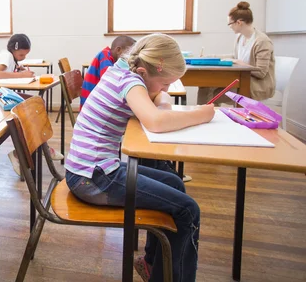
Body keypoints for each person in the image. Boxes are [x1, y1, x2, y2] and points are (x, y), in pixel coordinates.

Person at [65, 34, 214, 282]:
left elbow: (156, 100)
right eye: (165, 83)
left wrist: (162, 99)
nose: (166, 89)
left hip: (91, 170)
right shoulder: (130, 81)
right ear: (145, 71)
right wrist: (201, 114)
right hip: (93, 178)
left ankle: (152, 265)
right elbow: (155, 121)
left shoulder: (123, 70)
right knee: (188, 210)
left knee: (173, 182)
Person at [0, 34, 64, 173]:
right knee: (31, 108)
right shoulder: (6, 55)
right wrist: (21, 75)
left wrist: (20, 69)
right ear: (13, 49)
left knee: (35, 104)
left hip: (3, 94)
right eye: (21, 54)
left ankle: (37, 148)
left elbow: (9, 71)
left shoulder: (12, 58)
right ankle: (36, 149)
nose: (23, 57)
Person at [198, 1, 276, 104]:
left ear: (239, 22)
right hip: (242, 79)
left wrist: (238, 62)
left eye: (230, 24)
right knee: (205, 86)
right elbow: (235, 56)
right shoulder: (240, 37)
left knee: (212, 94)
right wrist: (210, 57)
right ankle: (203, 115)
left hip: (256, 85)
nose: (229, 26)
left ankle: (204, 114)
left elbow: (261, 72)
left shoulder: (262, 41)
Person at [80, 35, 136, 109]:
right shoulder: (104, 56)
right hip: (91, 105)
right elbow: (112, 80)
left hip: (94, 102)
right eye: (129, 53)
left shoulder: (109, 57)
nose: (131, 57)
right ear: (118, 50)